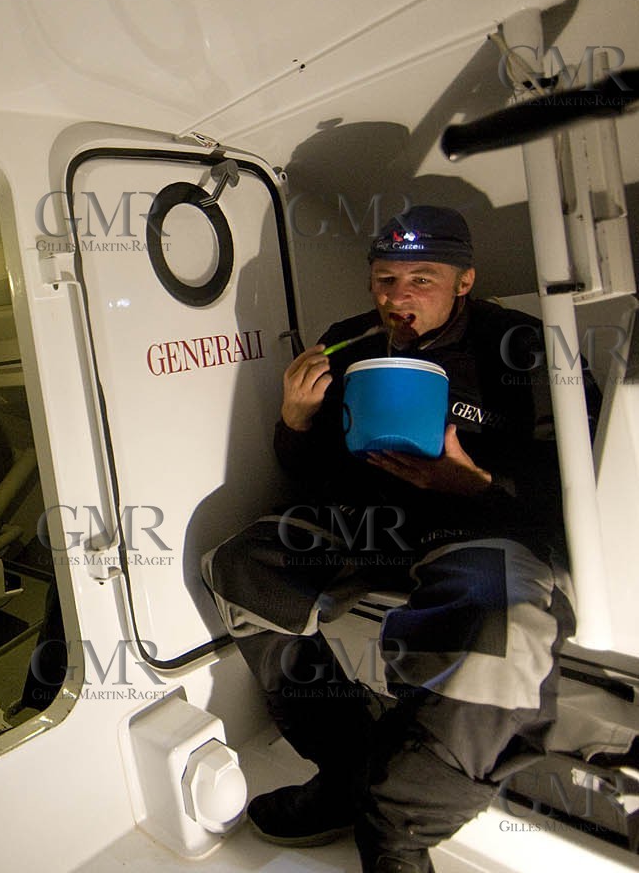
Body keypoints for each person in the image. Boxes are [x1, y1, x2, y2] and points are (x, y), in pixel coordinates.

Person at [200, 205, 601, 873]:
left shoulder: (525, 345)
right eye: (386, 279)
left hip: (479, 524)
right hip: (367, 524)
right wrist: (294, 423)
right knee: (242, 565)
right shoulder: (346, 343)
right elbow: (309, 476)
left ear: (465, 280)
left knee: (500, 625)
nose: (399, 295)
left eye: (423, 277)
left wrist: (477, 481)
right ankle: (346, 769)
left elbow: (580, 469)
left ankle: (397, 829)